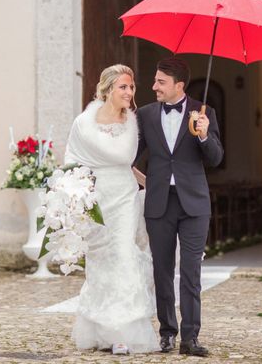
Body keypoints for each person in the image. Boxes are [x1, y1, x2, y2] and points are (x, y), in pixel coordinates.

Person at [65, 64, 159, 355]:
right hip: (98, 198)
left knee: (124, 255)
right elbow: (72, 160)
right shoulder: (84, 123)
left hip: (125, 198)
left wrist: (152, 185)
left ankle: (124, 330)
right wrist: (75, 196)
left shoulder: (131, 121)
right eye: (123, 87)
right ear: (107, 90)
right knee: (100, 262)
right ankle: (98, 328)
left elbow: (127, 165)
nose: (129, 93)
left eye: (131, 87)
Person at [135, 57, 224, 357]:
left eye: (161, 82)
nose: (154, 86)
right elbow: (129, 156)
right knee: (161, 270)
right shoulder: (145, 115)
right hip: (159, 202)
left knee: (190, 272)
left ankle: (190, 338)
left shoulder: (205, 112)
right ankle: (167, 333)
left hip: (194, 203)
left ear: (179, 85)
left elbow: (215, 159)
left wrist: (203, 134)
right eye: (156, 80)